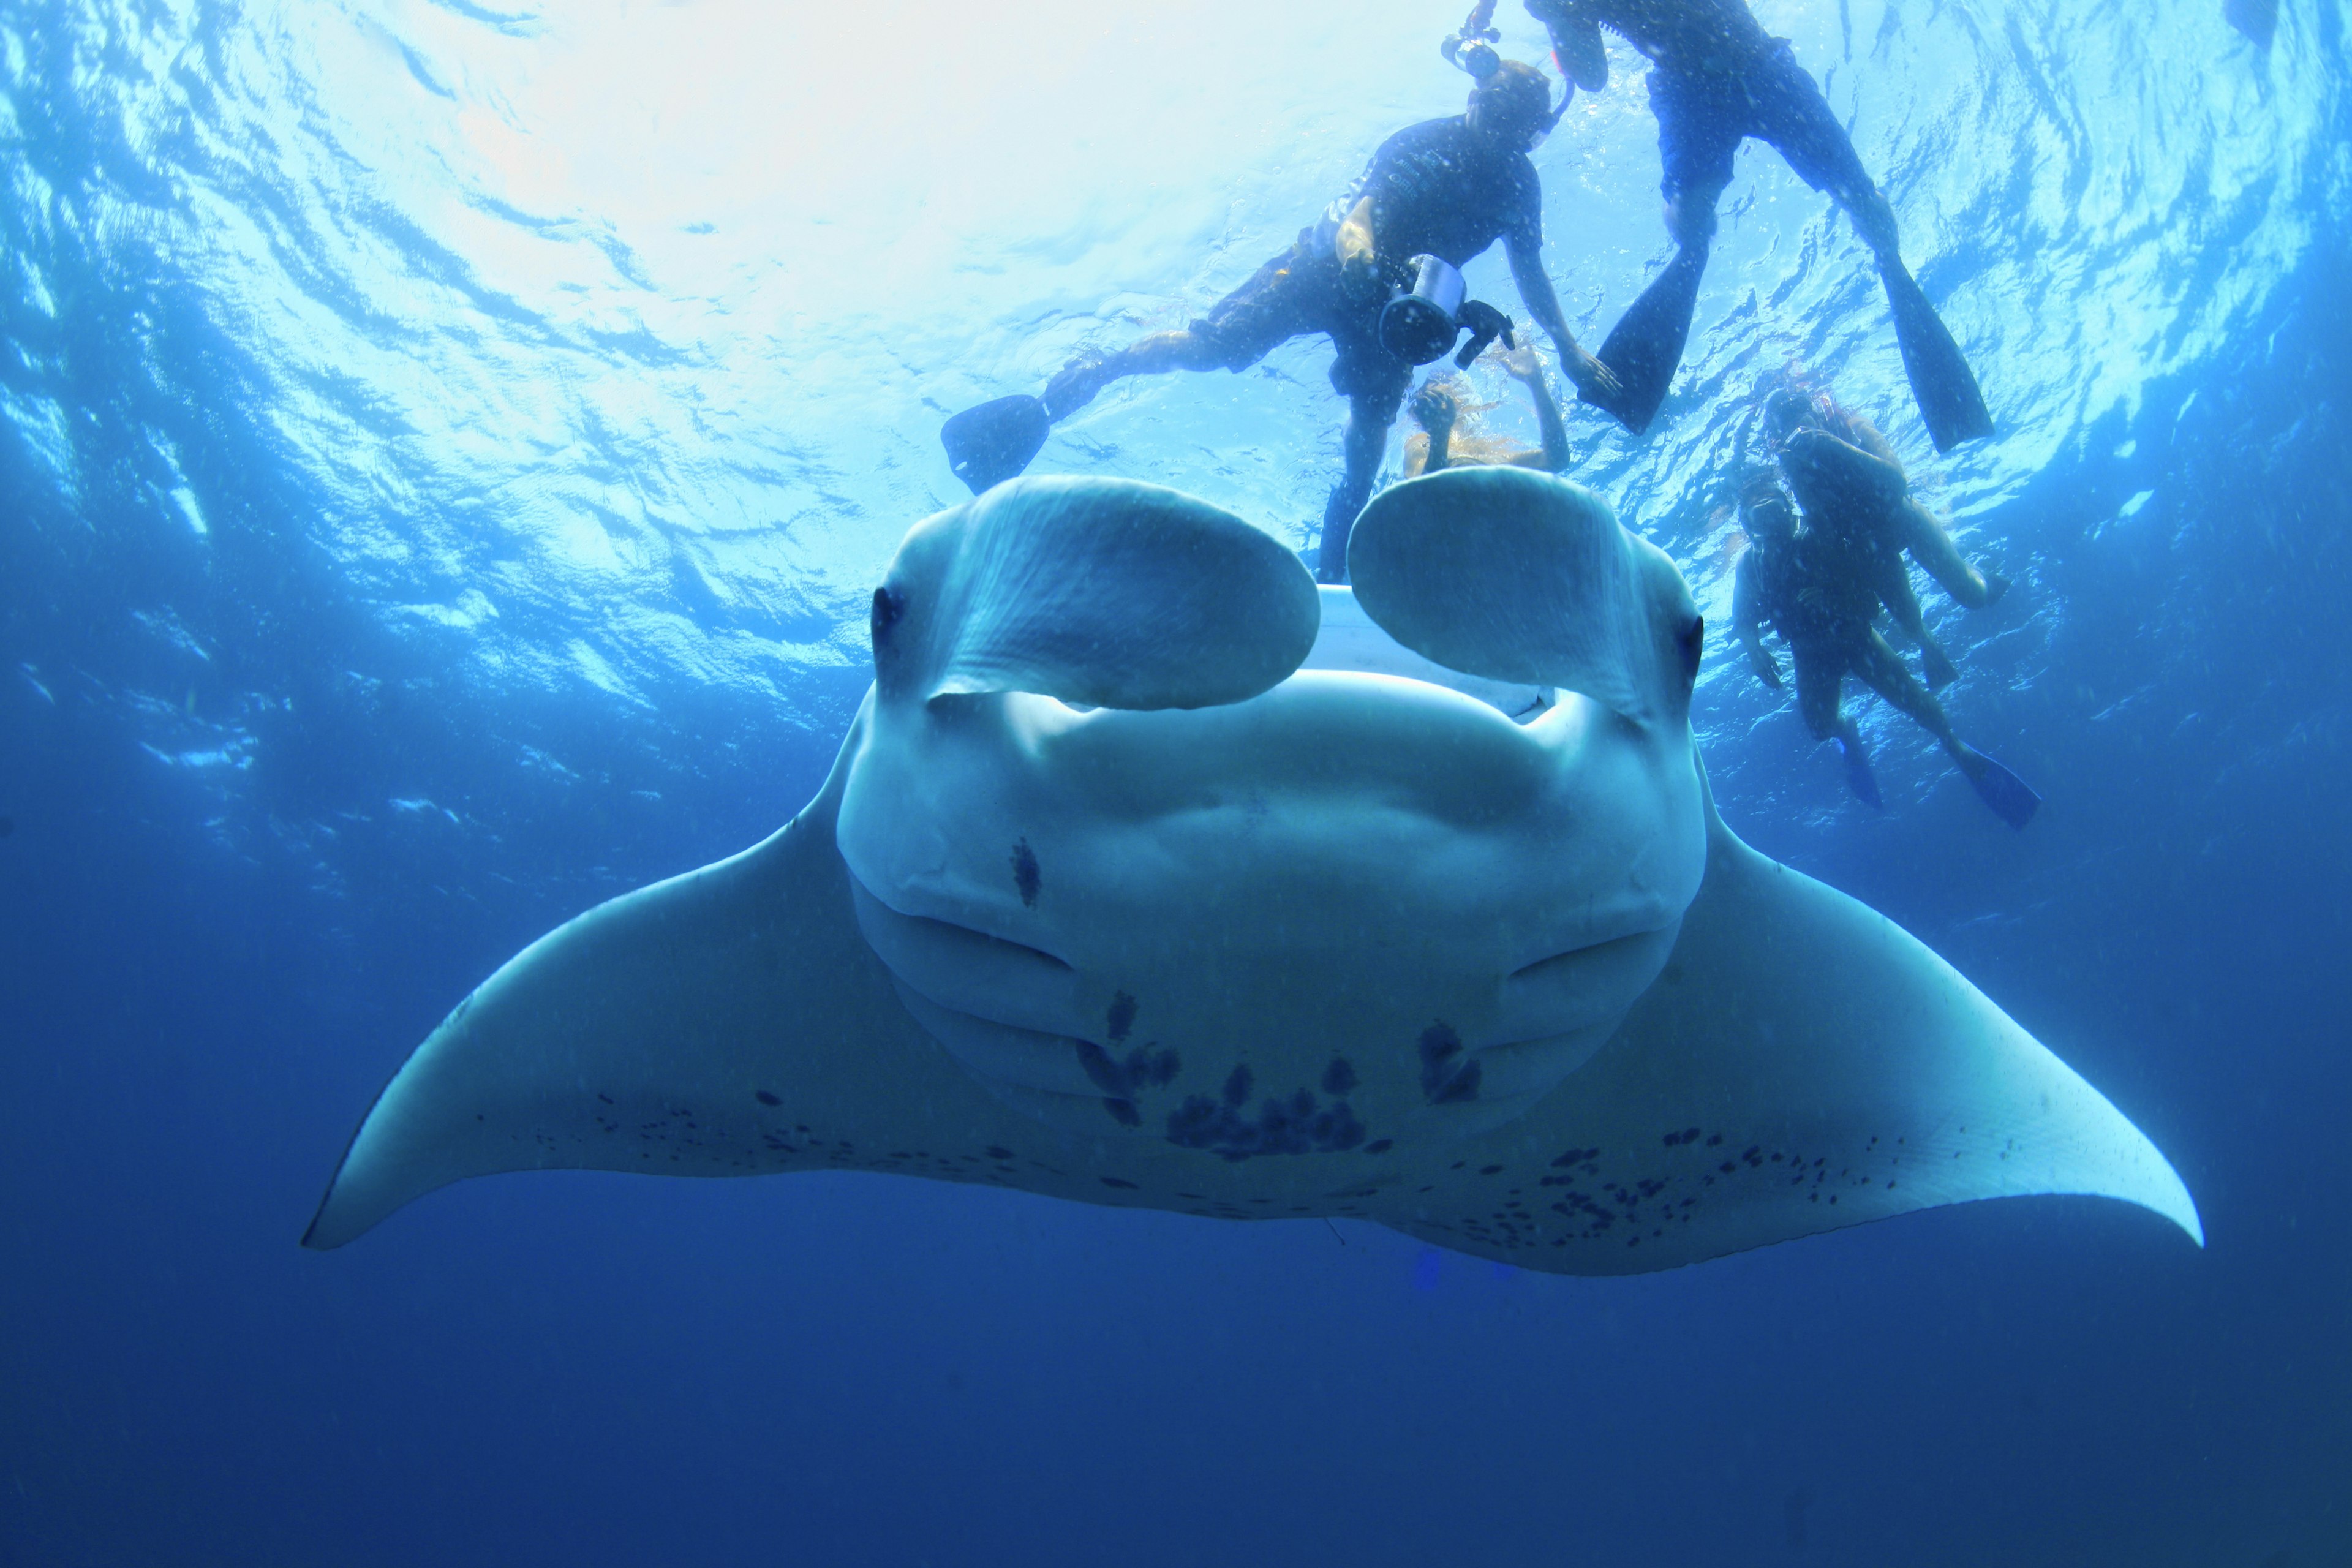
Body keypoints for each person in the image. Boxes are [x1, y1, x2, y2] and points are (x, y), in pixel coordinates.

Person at [938, 59, 1620, 584]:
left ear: (1527, 129)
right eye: (1493, 113)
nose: (1498, 130)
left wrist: (1568, 345)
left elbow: (1532, 275)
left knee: (1365, 448)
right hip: (1325, 270)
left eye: (1513, 126)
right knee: (1209, 349)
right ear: (1478, 103)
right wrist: (1358, 255)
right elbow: (1361, 213)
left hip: (1397, 312)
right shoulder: (1423, 141)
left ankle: (1333, 580)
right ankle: (1087, 376)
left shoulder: (1518, 184)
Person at [1521, 0, 1994, 451]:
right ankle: (1688, 261)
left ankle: (1890, 265)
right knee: (1691, 224)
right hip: (1686, 89)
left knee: (1863, 203)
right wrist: (1559, 17)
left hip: (1760, 63)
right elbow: (1592, 77)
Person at [1732, 468, 2038, 827]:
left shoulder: (1821, 536)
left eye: (1776, 511)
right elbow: (1743, 620)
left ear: (1789, 507)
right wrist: (1755, 651)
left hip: (1856, 639)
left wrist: (1832, 602)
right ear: (1749, 526)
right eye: (1761, 517)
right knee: (1819, 728)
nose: (1773, 523)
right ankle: (1846, 728)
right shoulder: (1751, 566)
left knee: (1918, 704)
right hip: (1809, 653)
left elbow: (1870, 605)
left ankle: (1955, 745)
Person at [1758, 385, 2007, 691]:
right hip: (1866, 549)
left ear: (1818, 410)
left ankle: (1982, 575)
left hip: (1903, 519)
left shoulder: (1853, 426)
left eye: (1803, 416)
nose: (1802, 428)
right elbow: (1826, 533)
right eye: (1791, 427)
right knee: (1912, 626)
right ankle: (1930, 648)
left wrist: (1831, 445)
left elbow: (1896, 480)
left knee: (1972, 596)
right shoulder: (1796, 468)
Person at [1403, 345, 1575, 477]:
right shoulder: (1420, 443)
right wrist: (1439, 435)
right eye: (1442, 387)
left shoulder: (1491, 451)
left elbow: (1556, 460)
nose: (1453, 387)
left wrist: (1536, 383)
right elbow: (1423, 490)